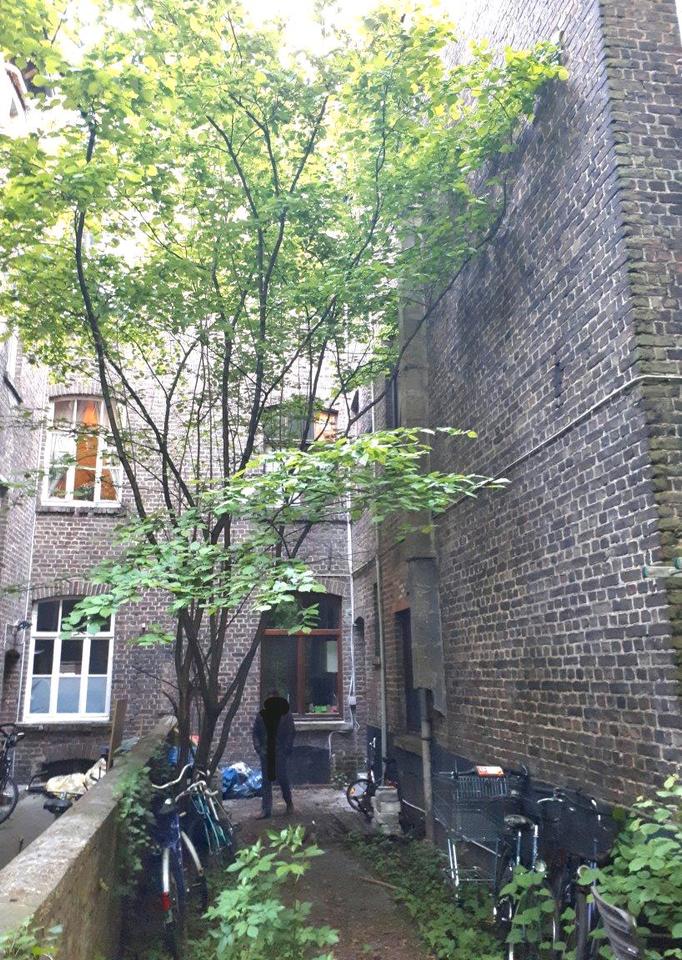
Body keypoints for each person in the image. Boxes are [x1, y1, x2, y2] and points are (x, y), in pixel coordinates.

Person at [252, 689, 295, 819]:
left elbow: (291, 732)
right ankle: (266, 810)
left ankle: (289, 803)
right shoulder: (261, 716)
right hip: (266, 752)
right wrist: (259, 749)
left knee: (282, 778)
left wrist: (286, 749)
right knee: (266, 781)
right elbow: (255, 733)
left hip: (280, 752)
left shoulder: (285, 715)